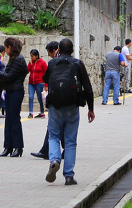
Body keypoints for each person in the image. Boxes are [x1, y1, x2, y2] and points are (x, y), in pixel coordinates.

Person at [43, 38, 95, 186]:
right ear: (72, 51)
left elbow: (45, 78)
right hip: (72, 106)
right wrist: (91, 109)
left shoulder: (52, 63)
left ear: (58, 49)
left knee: (53, 136)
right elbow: (88, 88)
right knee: (70, 141)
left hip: (54, 105)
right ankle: (69, 176)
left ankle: (54, 160)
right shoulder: (78, 63)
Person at [0, 38, 26, 157]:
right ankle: (8, 146)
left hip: (16, 91)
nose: (5, 50)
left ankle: (18, 147)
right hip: (11, 91)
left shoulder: (18, 59)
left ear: (10, 47)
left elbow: (9, 76)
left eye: (6, 47)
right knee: (9, 119)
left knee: (14, 119)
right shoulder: (14, 59)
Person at [31, 41, 62, 160]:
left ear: (55, 51)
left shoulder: (54, 63)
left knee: (52, 126)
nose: (49, 55)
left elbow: (47, 77)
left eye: (49, 52)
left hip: (57, 99)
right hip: (69, 101)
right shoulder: (73, 61)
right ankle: (52, 150)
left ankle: (47, 151)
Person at [27, 49, 47, 118]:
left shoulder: (42, 63)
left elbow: (46, 73)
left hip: (39, 82)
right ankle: (30, 113)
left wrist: (46, 84)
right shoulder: (31, 62)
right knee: (30, 97)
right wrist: (30, 64)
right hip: (31, 83)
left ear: (36, 56)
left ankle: (42, 112)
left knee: (39, 98)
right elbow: (27, 71)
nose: (31, 57)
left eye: (32, 56)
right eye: (31, 56)